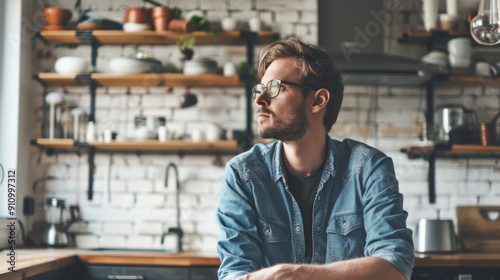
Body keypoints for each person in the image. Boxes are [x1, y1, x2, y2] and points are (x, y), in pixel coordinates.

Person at [216, 38, 414, 280]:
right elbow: (234, 272)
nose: (260, 99)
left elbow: (395, 265)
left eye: (276, 87)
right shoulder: (243, 174)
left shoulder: (368, 169)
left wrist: (302, 274)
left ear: (318, 100)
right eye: (260, 89)